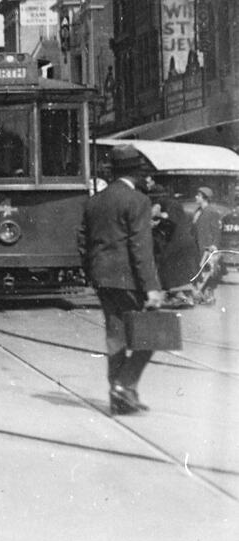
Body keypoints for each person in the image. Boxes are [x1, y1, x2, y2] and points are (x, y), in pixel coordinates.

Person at [79, 145, 164, 416]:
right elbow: (141, 248)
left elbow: (82, 242)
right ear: (135, 172)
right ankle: (124, 385)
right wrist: (151, 287)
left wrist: (92, 273)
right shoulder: (138, 201)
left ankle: (120, 395)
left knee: (115, 337)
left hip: (103, 279)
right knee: (151, 335)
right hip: (129, 279)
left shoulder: (95, 201)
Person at [150, 193, 201, 307]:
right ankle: (184, 295)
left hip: (177, 244)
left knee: (168, 268)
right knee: (180, 272)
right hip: (185, 243)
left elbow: (168, 219)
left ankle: (180, 296)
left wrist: (157, 217)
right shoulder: (176, 206)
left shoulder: (167, 205)